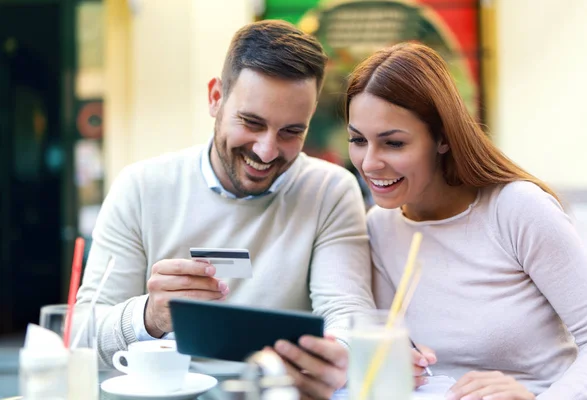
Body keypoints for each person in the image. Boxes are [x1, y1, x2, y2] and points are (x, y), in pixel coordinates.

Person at [77, 20, 375, 399]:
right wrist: (149, 315)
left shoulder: (330, 190)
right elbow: (79, 339)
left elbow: (349, 313)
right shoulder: (140, 188)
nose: (266, 151)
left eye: (291, 132)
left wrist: (338, 357)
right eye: (252, 122)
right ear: (216, 97)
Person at [345, 42, 587, 400]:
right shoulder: (380, 225)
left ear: (443, 138)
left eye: (394, 143)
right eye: (358, 140)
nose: (369, 163)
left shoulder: (516, 209)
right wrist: (404, 363)